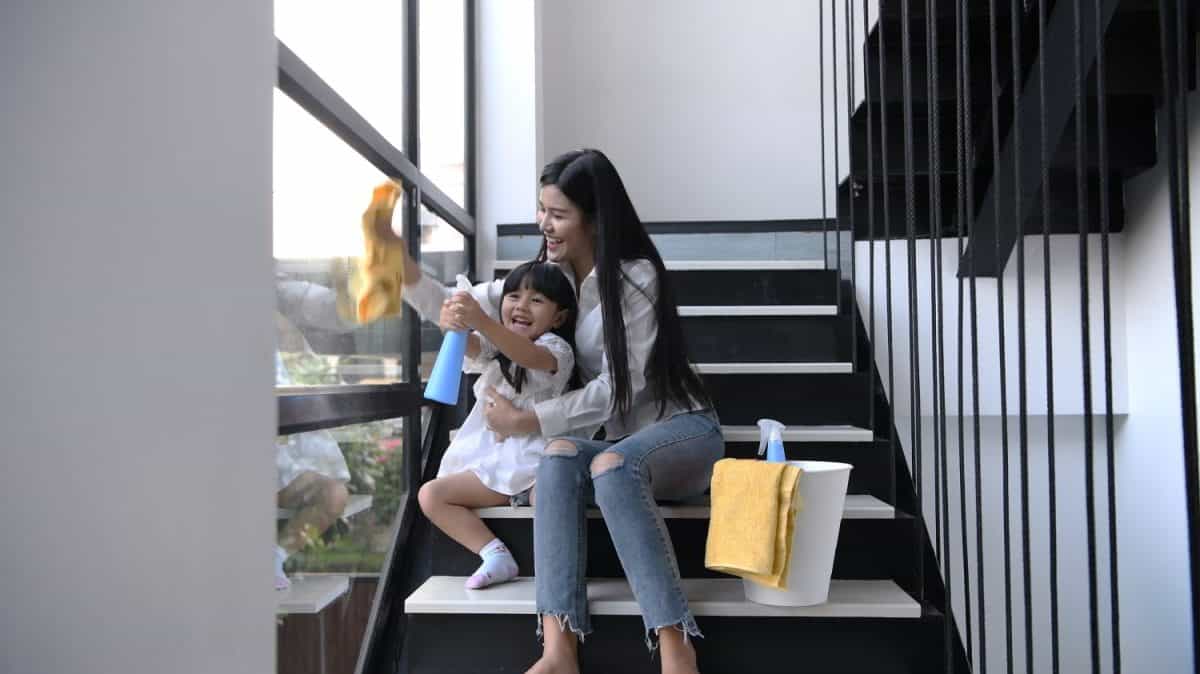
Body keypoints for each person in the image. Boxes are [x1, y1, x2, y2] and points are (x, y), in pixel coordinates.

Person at [476, 149, 724, 674]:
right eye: (541, 210)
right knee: (561, 457)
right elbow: (471, 303)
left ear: (593, 218)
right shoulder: (547, 280)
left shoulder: (635, 278)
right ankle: (558, 649)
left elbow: (620, 390)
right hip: (618, 450)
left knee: (610, 467)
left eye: (558, 213)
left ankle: (676, 644)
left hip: (681, 433)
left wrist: (527, 421)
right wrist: (404, 276)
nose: (544, 224)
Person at [411, 261, 579, 589]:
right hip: (493, 461)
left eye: (536, 300)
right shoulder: (495, 345)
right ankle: (494, 553)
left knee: (549, 495)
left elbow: (527, 355)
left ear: (558, 317)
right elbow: (475, 345)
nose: (521, 305)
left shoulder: (557, 350)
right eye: (513, 295)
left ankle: (560, 570)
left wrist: (483, 321)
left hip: (535, 461)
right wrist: (458, 322)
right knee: (430, 495)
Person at [273, 277, 354, 591]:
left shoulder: (276, 304)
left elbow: (336, 313)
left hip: (286, 443)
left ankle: (273, 556)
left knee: (334, 494)